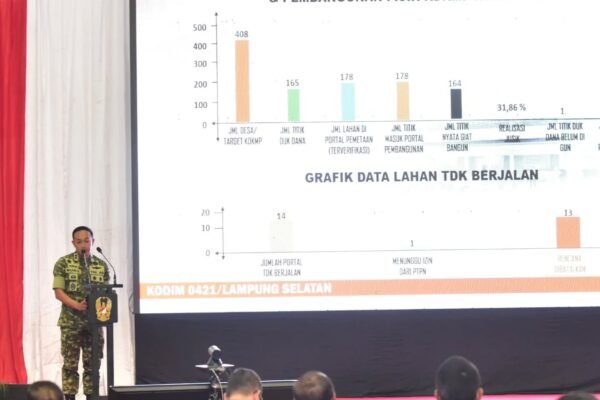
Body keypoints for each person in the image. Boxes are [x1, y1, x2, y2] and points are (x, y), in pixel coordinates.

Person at [53, 226, 109, 400]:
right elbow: (58, 292)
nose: (83, 245)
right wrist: (77, 305)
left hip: (94, 324)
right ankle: (69, 397)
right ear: (73, 243)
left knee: (92, 365)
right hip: (71, 323)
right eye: (79, 242)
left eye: (86, 241)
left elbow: (106, 293)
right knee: (70, 365)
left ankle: (91, 396)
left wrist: (98, 307)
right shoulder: (63, 263)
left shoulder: (101, 265)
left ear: (93, 241)